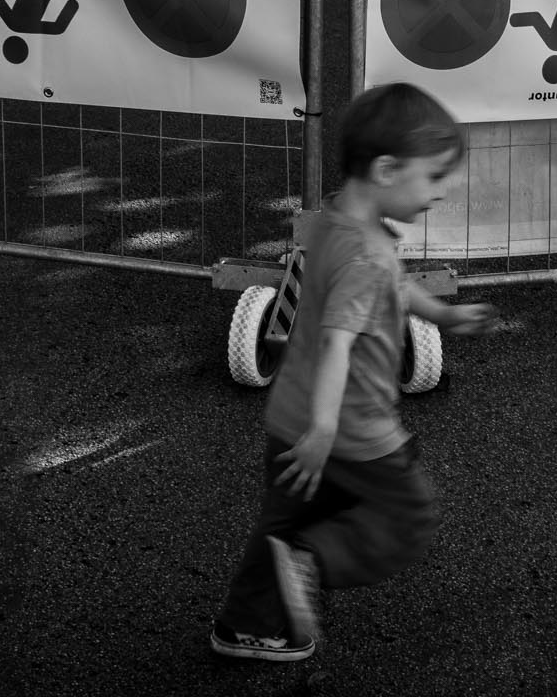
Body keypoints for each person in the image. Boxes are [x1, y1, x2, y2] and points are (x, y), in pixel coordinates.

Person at [209, 82, 501, 662]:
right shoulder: (367, 255)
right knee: (407, 519)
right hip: (351, 432)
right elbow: (336, 343)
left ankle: (245, 626)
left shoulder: (339, 222)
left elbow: (389, 284)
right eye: (434, 177)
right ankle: (314, 561)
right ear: (388, 169)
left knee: (282, 528)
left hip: (291, 421)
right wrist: (324, 434)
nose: (440, 193)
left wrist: (442, 313)